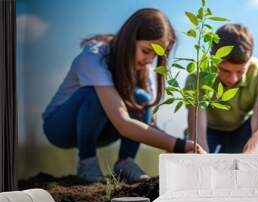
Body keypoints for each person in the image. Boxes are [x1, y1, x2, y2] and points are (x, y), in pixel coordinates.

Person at [42, 8, 204, 183]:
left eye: (157, 54)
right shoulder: (95, 57)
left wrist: (180, 148)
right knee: (92, 93)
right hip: (60, 127)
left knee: (141, 98)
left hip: (103, 131)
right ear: (129, 41)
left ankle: (125, 162)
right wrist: (179, 145)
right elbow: (122, 123)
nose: (150, 60)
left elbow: (147, 124)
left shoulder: (144, 69)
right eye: (146, 50)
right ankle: (87, 162)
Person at [186, 24, 258, 153]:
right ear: (213, 59)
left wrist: (247, 161)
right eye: (224, 70)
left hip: (240, 133)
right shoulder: (197, 77)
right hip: (208, 132)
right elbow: (197, 133)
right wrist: (203, 160)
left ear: (250, 60)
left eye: (240, 71)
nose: (232, 79)